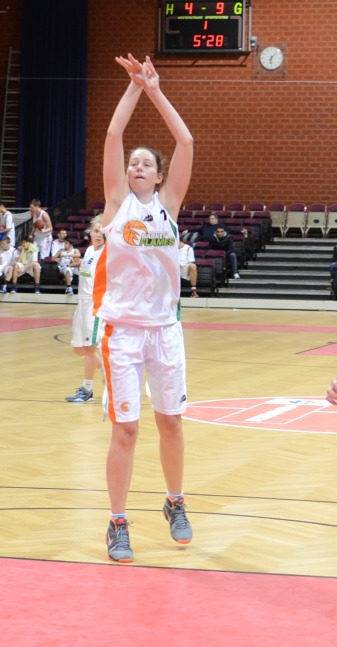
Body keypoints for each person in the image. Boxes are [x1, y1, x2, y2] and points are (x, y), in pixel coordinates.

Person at [94, 52, 194, 563]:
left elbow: (186, 142)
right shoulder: (117, 203)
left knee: (170, 422)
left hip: (165, 331)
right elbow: (114, 134)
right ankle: (117, 522)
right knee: (127, 429)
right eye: (133, 162)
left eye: (146, 163)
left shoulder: (168, 206)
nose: (137, 166)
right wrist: (133, 87)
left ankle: (175, 501)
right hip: (123, 332)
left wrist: (155, 89)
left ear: (158, 177)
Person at [65, 217, 106, 403]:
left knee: (89, 349)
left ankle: (87, 390)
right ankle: (105, 371)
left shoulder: (107, 252)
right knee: (78, 349)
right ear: (90, 231)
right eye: (96, 231)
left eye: (102, 232)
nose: (99, 235)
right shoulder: (89, 251)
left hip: (94, 304)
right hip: (81, 302)